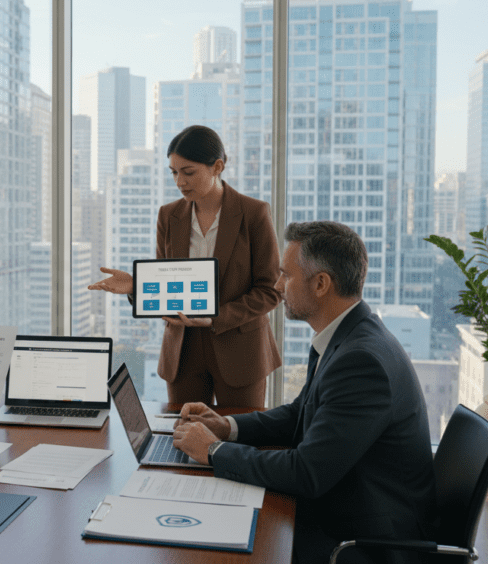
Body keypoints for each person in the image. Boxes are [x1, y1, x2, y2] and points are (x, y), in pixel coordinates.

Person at [172, 221, 436, 564]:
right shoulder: (349, 336)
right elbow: (301, 412)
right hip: (348, 506)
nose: (278, 286)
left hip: (367, 541)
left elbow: (307, 473)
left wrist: (213, 451)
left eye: (286, 275)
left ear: (322, 283)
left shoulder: (361, 361)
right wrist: (229, 427)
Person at [88, 125, 281, 406]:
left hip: (240, 350)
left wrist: (216, 318)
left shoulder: (253, 213)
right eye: (174, 172)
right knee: (181, 436)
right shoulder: (169, 215)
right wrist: (137, 286)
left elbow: (270, 290)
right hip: (182, 350)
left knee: (240, 440)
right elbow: (166, 281)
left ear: (217, 167)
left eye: (188, 172)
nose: (179, 182)